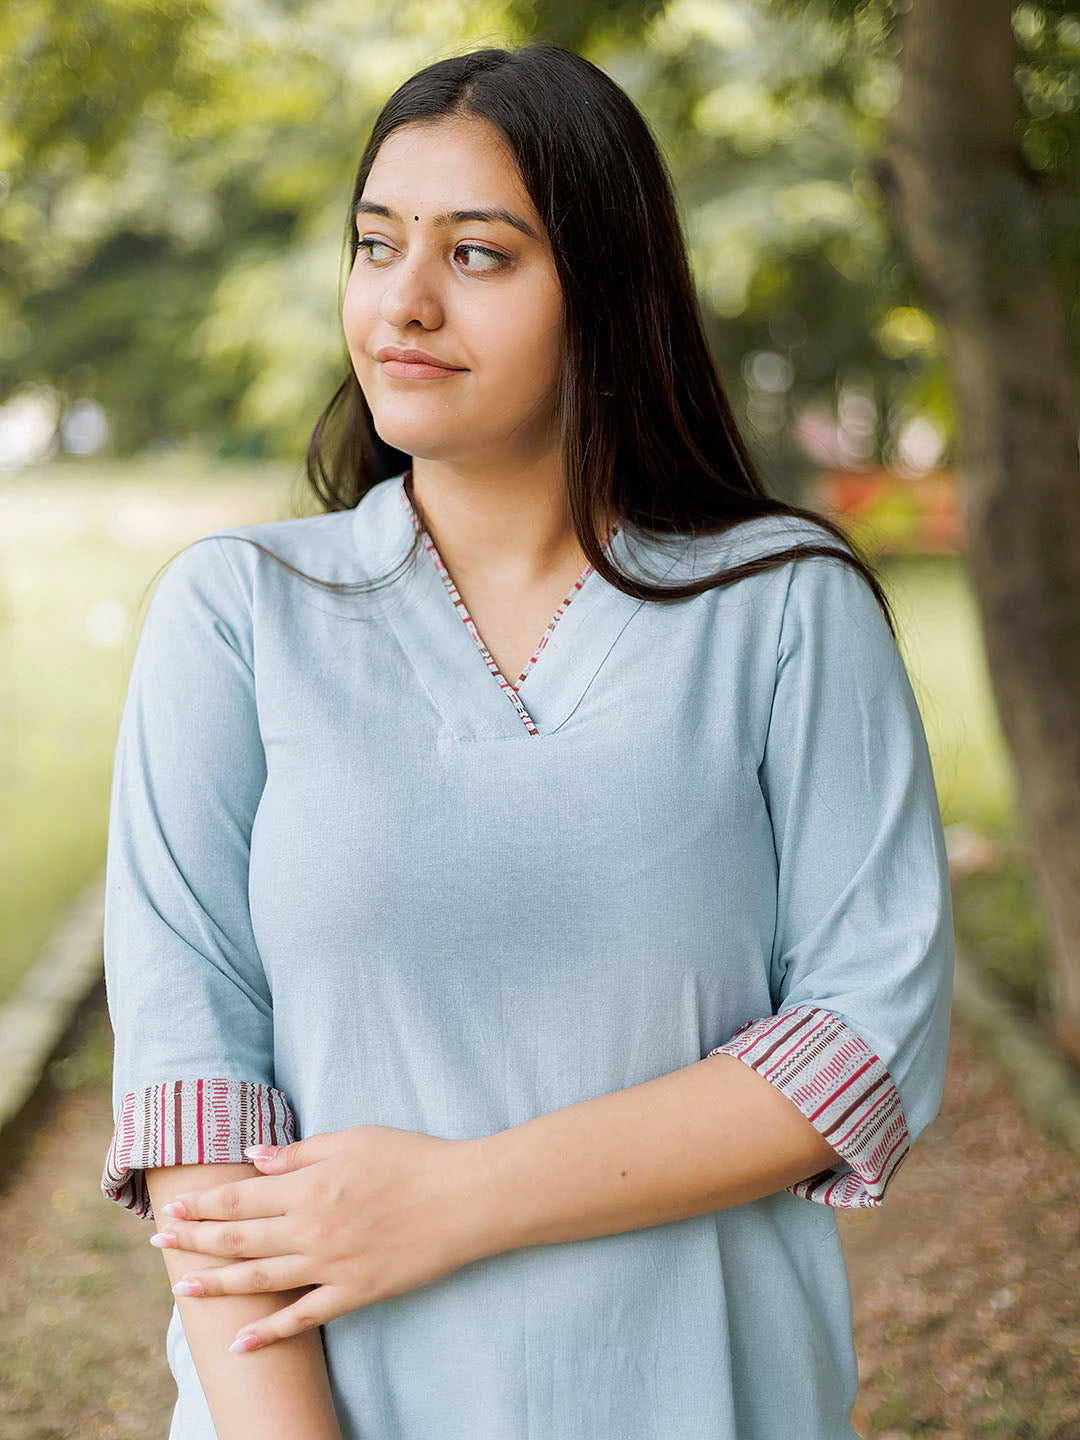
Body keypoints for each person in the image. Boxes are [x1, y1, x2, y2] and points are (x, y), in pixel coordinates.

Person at [99, 41, 954, 1440]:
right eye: (377, 246)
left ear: (606, 295)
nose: (406, 301)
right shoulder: (239, 616)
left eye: (480, 255)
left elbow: (861, 1047)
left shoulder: (782, 608)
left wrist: (448, 1201)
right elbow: (198, 1107)